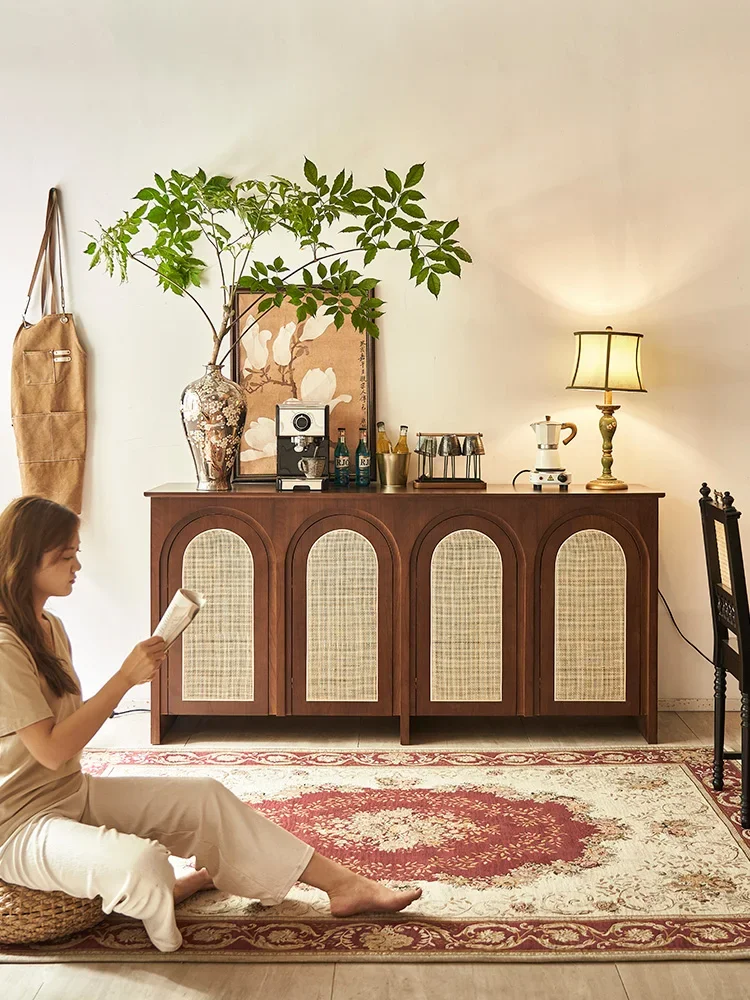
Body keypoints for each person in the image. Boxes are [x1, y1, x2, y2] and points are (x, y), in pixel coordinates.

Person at [0, 496, 421, 952]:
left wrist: (129, 675)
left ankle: (345, 886)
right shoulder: (4, 644)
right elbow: (51, 750)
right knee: (144, 866)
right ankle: (170, 911)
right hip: (18, 825)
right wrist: (124, 679)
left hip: (71, 794)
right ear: (25, 559)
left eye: (76, 551)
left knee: (206, 797)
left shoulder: (49, 625)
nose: (77, 564)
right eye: (66, 555)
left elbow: (65, 748)